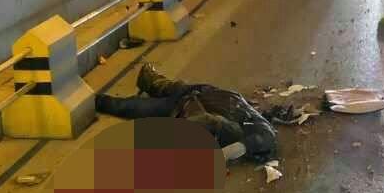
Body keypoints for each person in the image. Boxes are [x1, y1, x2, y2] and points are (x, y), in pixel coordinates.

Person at [95, 63, 278, 160]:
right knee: (152, 92)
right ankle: (150, 81)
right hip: (193, 96)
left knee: (131, 106)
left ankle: (96, 101)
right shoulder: (243, 123)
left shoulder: (245, 126)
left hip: (188, 100)